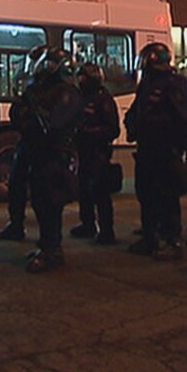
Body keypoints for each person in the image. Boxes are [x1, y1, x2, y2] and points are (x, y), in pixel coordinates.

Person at [10, 48, 82, 273]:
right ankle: (47, 245)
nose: (43, 67)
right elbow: (17, 114)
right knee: (40, 201)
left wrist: (33, 113)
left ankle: (52, 249)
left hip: (54, 154)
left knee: (50, 202)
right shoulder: (40, 90)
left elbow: (54, 125)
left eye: (49, 64)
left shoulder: (66, 92)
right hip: (38, 151)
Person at [124, 42, 187, 261]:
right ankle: (150, 236)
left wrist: (176, 145)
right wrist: (133, 126)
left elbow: (183, 118)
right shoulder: (147, 85)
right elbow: (136, 111)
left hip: (165, 150)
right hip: (147, 148)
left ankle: (173, 241)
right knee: (146, 194)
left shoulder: (174, 84)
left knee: (167, 195)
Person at [0, 44, 48, 241]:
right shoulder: (32, 88)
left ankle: (48, 241)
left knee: (43, 194)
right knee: (16, 184)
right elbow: (17, 112)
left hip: (43, 146)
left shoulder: (53, 91)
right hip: (27, 141)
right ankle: (16, 224)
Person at [71, 62, 121, 244]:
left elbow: (112, 129)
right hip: (83, 152)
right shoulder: (81, 98)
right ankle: (88, 224)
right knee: (84, 190)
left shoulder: (103, 99)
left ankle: (107, 230)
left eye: (83, 77)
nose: (80, 81)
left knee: (100, 193)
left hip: (98, 152)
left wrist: (90, 133)